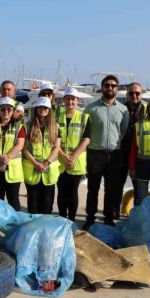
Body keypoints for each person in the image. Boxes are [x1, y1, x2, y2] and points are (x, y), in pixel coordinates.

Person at [83, 74, 129, 228]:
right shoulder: (91, 108)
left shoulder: (123, 110)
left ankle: (108, 217)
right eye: (107, 85)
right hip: (95, 153)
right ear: (102, 87)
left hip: (115, 154)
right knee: (93, 188)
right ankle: (90, 217)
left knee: (111, 188)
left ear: (117, 89)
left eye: (113, 86)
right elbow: (86, 131)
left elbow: (123, 131)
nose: (110, 88)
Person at [56, 87, 91, 221]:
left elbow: (86, 139)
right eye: (68, 98)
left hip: (76, 162)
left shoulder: (84, 117)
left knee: (73, 192)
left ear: (77, 101)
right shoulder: (57, 115)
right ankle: (62, 217)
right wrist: (63, 156)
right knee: (61, 192)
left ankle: (71, 219)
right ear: (64, 100)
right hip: (59, 160)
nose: (70, 101)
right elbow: (52, 137)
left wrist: (72, 157)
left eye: (73, 99)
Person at [22, 97, 61, 214]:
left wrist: (46, 163)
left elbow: (56, 147)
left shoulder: (55, 126)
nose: (42, 110)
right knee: (32, 201)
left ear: (49, 110)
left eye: (45, 107)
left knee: (47, 201)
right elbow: (24, 148)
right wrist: (36, 163)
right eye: (40, 107)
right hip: (32, 168)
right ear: (36, 109)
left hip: (48, 169)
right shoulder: (27, 126)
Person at [0, 97, 25, 210]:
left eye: (9, 109)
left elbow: (19, 145)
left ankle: (16, 224)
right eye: (3, 109)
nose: (6, 112)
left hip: (13, 170)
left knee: (13, 200)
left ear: (13, 111)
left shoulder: (19, 127)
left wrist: (6, 158)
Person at [117, 82, 148, 218]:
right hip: (120, 152)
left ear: (141, 94)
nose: (134, 95)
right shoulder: (120, 108)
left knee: (139, 188)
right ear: (127, 94)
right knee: (117, 184)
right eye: (131, 93)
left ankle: (137, 217)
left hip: (139, 154)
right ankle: (113, 214)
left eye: (137, 93)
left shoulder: (148, 109)